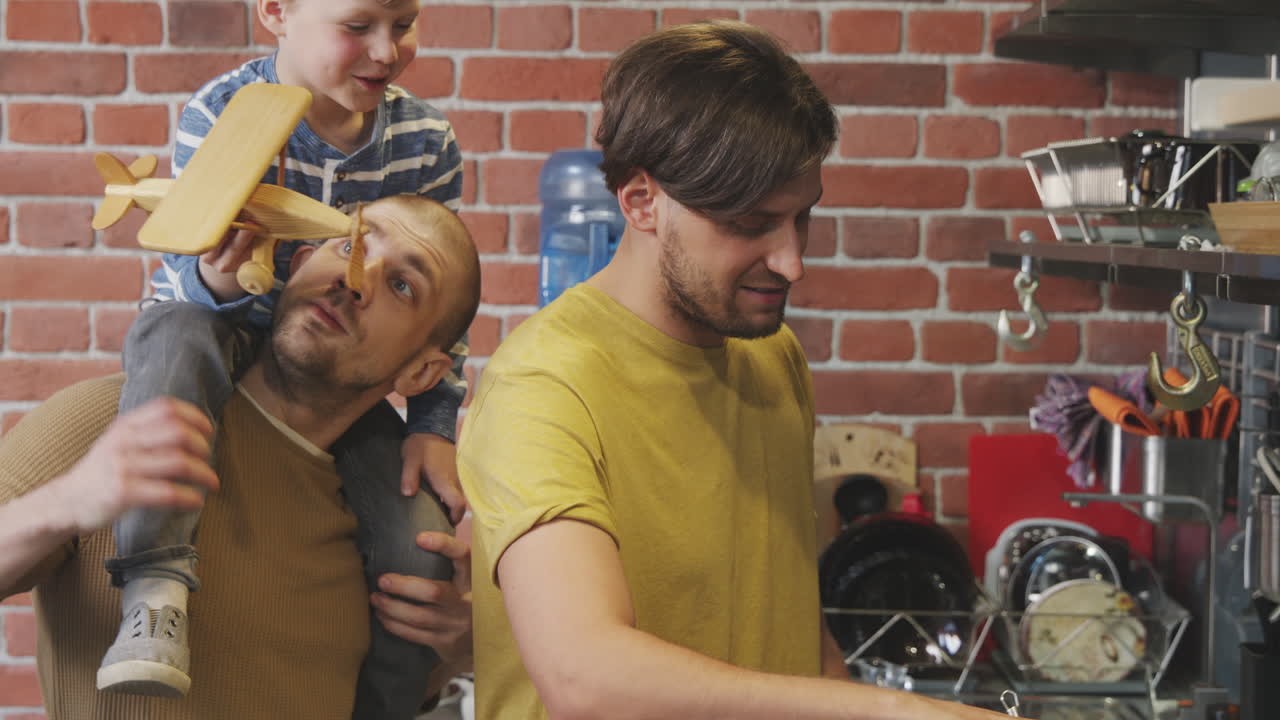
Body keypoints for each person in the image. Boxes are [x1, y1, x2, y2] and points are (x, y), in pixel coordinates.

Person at [457, 22, 1011, 720]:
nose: (792, 262)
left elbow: (793, 635)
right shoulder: (544, 387)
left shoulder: (770, 357)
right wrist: (890, 710)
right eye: (751, 225)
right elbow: (583, 676)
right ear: (641, 201)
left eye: (802, 218)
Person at [99, 0, 469, 713]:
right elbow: (186, 268)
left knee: (414, 537)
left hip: (337, 378)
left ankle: (395, 703)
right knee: (173, 333)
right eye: (358, 27)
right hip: (217, 330)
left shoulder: (425, 139)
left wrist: (433, 418)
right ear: (275, 12)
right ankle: (154, 585)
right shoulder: (225, 111)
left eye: (405, 21)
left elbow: (444, 302)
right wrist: (217, 276)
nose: (387, 51)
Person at [0, 195, 479, 720]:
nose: (356, 277)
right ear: (297, 266)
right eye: (350, 244)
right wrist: (68, 501)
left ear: (421, 375)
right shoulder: (107, 428)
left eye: (402, 285)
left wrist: (457, 652)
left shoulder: (392, 530)